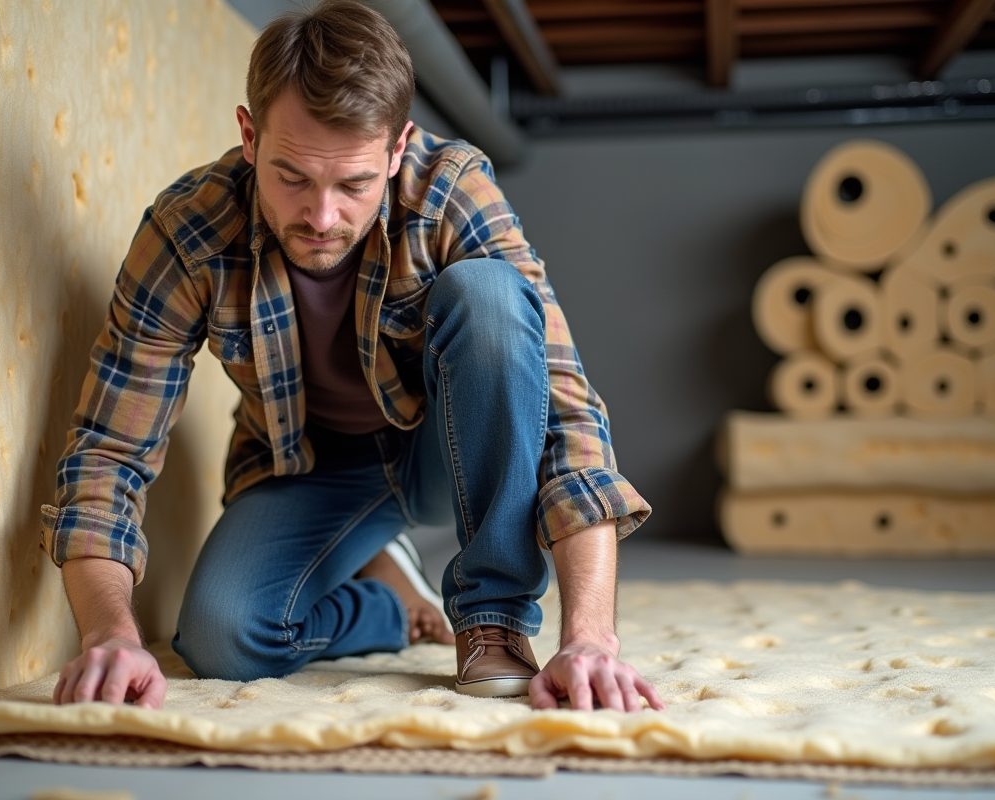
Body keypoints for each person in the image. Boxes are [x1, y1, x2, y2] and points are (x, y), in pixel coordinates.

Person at [43, 0, 663, 714]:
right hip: (309, 465)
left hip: (443, 447)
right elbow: (108, 450)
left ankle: (491, 614)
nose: (322, 216)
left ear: (397, 148)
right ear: (249, 135)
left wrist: (591, 637)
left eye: (354, 184)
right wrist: (108, 633)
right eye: (293, 177)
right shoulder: (188, 232)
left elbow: (565, 408)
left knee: (490, 296)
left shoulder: (451, 188)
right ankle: (389, 603)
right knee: (220, 639)